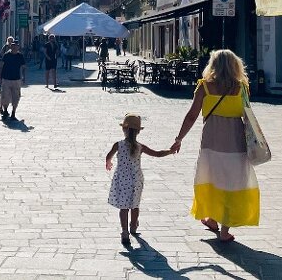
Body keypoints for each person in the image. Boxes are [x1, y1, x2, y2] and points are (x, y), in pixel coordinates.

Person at [170, 49, 260, 243]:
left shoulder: (204, 87)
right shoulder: (242, 88)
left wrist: (179, 138)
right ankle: (224, 230)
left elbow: (191, 115)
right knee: (232, 183)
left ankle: (211, 217)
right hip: (236, 144)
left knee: (211, 181)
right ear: (235, 65)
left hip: (211, 144)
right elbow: (248, 116)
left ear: (213, 66)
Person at [106, 113, 174, 247]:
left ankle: (125, 232)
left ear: (124, 129)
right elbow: (157, 154)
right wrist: (170, 151)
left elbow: (109, 156)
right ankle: (133, 227)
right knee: (135, 205)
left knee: (124, 207)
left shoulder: (118, 145)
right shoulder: (140, 147)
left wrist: (108, 163)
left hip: (122, 180)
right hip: (136, 179)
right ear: (138, 131)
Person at [0, 40, 26, 120]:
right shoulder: (6, 55)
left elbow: (23, 67)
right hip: (6, 79)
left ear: (18, 47)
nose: (14, 47)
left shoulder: (20, 56)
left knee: (16, 97)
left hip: (16, 79)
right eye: (13, 45)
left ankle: (13, 112)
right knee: (5, 96)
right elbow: (0, 66)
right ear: (11, 46)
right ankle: (5, 110)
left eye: (16, 46)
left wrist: (23, 77)